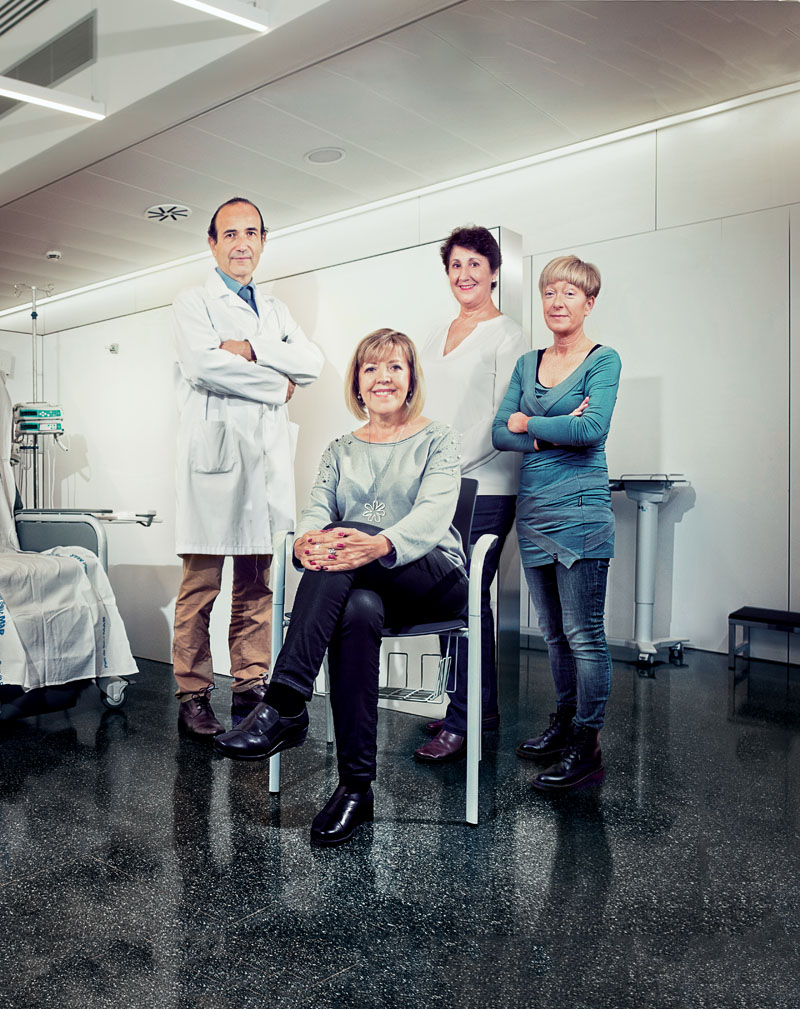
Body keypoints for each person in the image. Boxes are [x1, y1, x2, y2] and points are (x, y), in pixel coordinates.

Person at [214, 329, 468, 846]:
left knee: (352, 541)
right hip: (364, 580)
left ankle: (283, 702)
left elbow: (433, 514)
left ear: (411, 377)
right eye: (371, 369)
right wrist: (307, 539)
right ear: (357, 380)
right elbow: (316, 509)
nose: (383, 379)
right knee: (356, 611)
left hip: (432, 574)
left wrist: (374, 543)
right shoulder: (340, 449)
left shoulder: (438, 438)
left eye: (395, 367)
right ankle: (356, 787)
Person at [172, 197, 323, 740]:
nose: (241, 243)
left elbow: (312, 363)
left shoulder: (275, 309)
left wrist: (252, 348)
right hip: (213, 466)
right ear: (212, 243)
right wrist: (276, 384)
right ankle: (192, 693)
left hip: (265, 469)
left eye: (251, 233)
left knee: (257, 587)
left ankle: (249, 685)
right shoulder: (193, 302)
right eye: (230, 234)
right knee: (201, 588)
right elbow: (202, 365)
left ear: (263, 241)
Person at [492, 255, 621, 790]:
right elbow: (501, 432)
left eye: (570, 293)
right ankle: (565, 722)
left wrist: (532, 422)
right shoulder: (527, 362)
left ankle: (587, 745)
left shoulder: (604, 359)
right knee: (551, 634)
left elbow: (592, 429)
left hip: (581, 510)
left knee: (584, 634)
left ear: (589, 302)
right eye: (549, 293)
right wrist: (551, 429)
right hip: (536, 509)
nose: (558, 302)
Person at [414, 226, 527, 762]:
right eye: (456, 265)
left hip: (487, 483)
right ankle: (470, 708)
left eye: (475, 265)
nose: (465, 275)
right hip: (438, 486)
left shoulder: (509, 334)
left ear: (494, 271)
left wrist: (445, 465)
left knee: (467, 599)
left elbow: (500, 416)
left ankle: (463, 722)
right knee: (445, 597)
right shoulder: (434, 328)